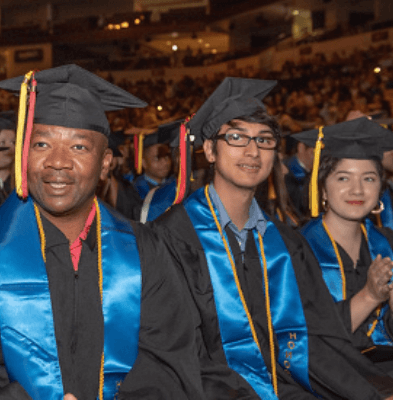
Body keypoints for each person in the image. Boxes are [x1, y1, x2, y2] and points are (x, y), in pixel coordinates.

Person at [0, 64, 204, 400]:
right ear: (24, 154)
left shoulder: (146, 250)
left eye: (79, 147)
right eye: (41, 145)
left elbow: (169, 364)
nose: (58, 162)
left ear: (106, 163)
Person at [152, 77, 393, 399]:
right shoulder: (169, 238)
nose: (253, 151)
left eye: (264, 140)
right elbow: (172, 353)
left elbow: (316, 339)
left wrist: (369, 393)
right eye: (237, 137)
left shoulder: (285, 243)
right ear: (209, 149)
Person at [297, 118, 393, 369]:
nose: (358, 190)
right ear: (323, 189)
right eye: (343, 178)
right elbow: (304, 338)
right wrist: (370, 296)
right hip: (328, 375)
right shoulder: (295, 249)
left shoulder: (388, 243)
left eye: (369, 179)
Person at [132, 127, 174, 199]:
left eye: (166, 157)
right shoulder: (135, 191)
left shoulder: (174, 184)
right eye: (157, 158)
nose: (165, 163)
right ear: (144, 163)